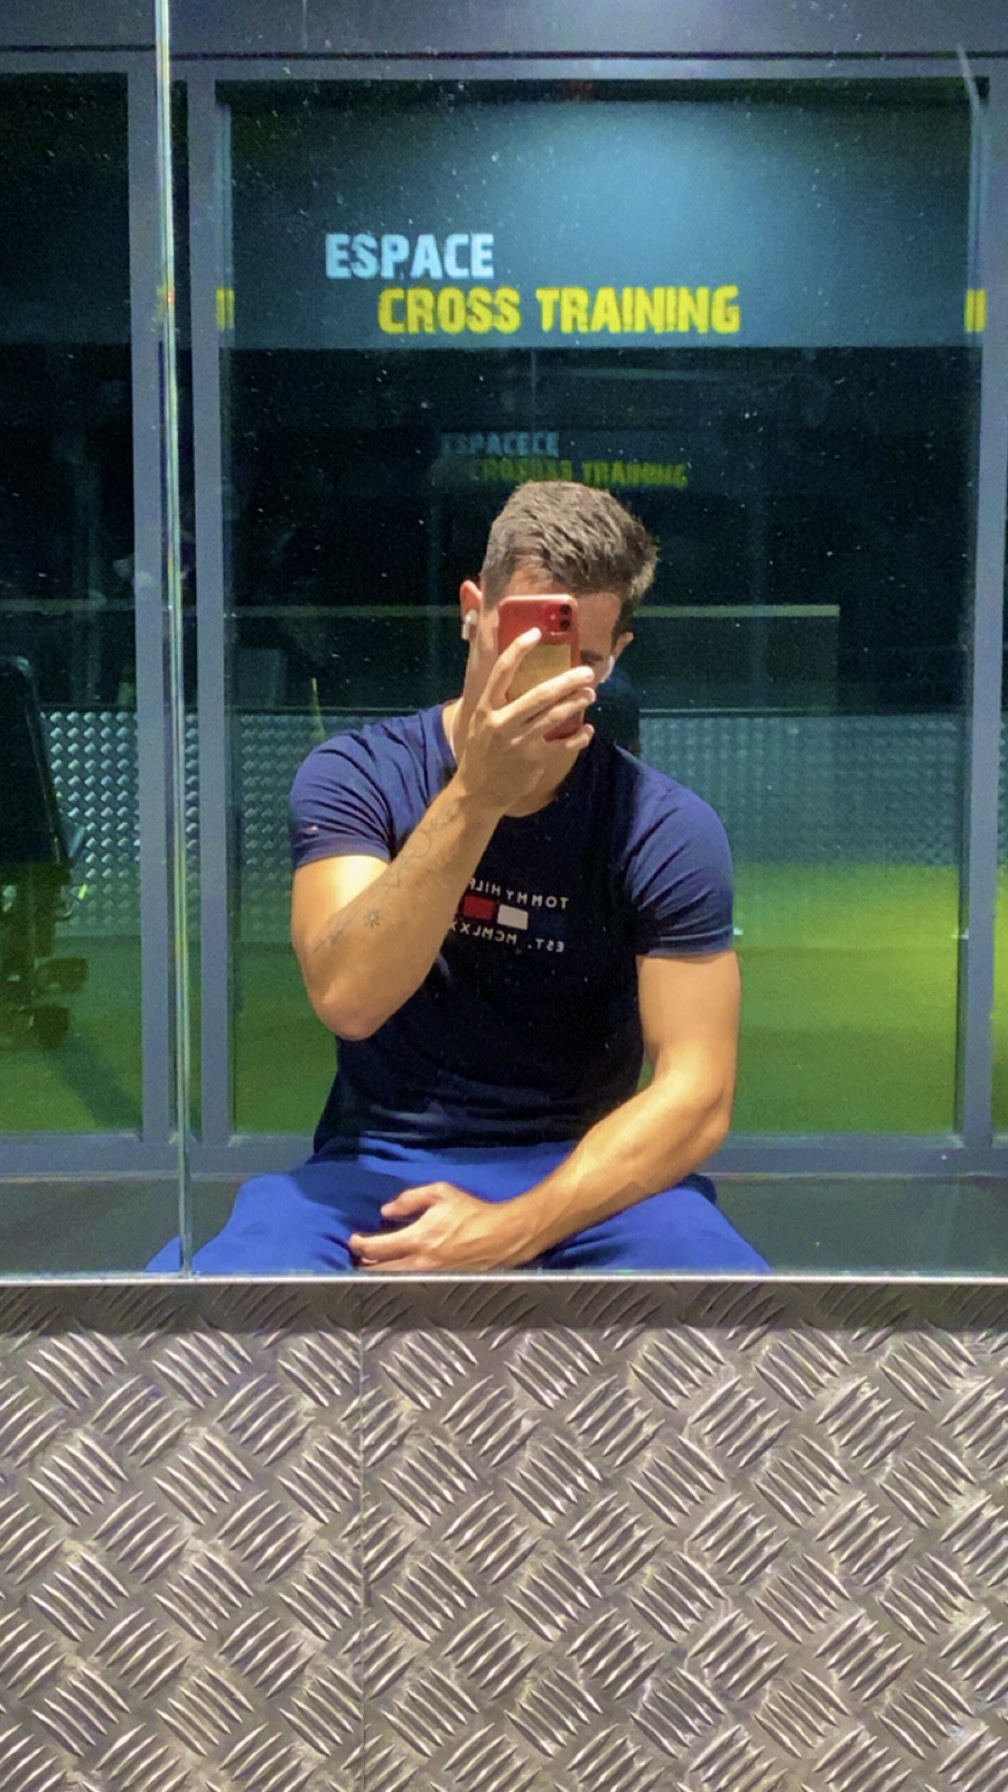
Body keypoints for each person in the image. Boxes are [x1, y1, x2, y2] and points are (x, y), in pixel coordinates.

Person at [149, 481, 765, 1274]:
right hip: (377, 1161)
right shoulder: (359, 776)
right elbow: (349, 999)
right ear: (473, 611)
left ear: (618, 656)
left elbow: (699, 1093)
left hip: (585, 1171)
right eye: (524, 644)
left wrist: (512, 1229)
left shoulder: (663, 826)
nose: (549, 681)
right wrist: (477, 795)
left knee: (718, 1297)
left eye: (585, 661)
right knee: (237, 1299)